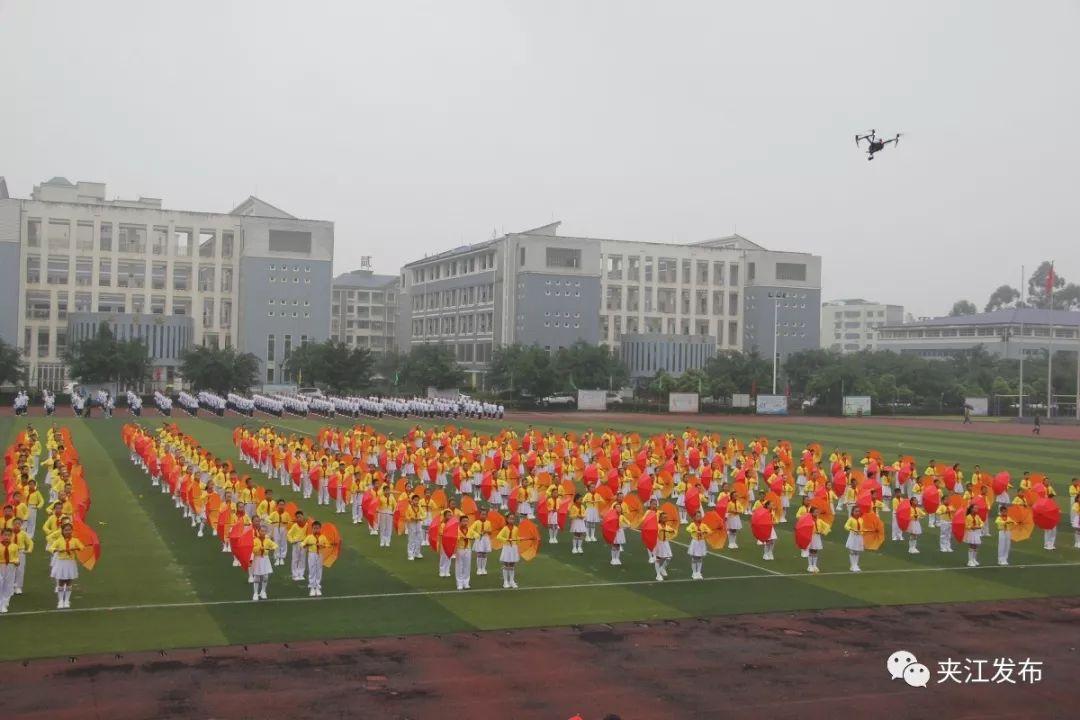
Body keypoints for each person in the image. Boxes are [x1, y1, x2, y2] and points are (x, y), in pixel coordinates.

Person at [48, 522, 84, 609]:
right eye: (66, 530)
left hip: (70, 562)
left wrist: (75, 548)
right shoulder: (59, 541)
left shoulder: (75, 540)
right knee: (61, 582)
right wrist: (57, 550)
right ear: (62, 531)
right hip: (61, 562)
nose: (68, 532)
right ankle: (60, 601)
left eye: (69, 530)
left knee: (68, 582)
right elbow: (51, 548)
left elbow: (82, 547)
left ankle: (67, 600)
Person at [301, 520, 331, 596]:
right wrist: (306, 545)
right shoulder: (309, 537)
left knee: (319, 569)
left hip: (320, 554)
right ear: (312, 529)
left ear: (320, 528)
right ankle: (312, 587)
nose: (316, 530)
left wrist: (323, 546)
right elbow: (302, 544)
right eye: (314, 528)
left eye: (317, 528)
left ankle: (317, 586)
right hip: (312, 554)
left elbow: (328, 545)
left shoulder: (323, 537)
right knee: (312, 569)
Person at [250, 527, 277, 601]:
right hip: (257, 559)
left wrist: (272, 548)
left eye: (265, 531)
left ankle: (263, 591)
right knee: (257, 576)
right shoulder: (255, 540)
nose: (263, 532)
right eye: (261, 531)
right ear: (258, 531)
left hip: (265, 559)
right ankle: (255, 593)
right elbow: (252, 549)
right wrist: (259, 548)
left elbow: (275, 545)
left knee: (265, 576)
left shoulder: (267, 540)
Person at [455, 516, 479, 590]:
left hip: (467, 549)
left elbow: (476, 535)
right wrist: (460, 537)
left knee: (467, 566)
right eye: (463, 521)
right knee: (459, 566)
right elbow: (454, 537)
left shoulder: (470, 530)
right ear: (460, 522)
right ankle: (459, 583)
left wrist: (473, 537)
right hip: (459, 549)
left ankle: (466, 582)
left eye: (466, 521)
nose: (465, 523)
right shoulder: (457, 530)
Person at [496, 514, 520, 589]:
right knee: (506, 564)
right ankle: (505, 581)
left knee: (512, 565)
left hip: (513, 547)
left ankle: (511, 581)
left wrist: (520, 539)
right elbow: (499, 537)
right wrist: (506, 539)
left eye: (513, 519)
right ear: (507, 519)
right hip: (506, 547)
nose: (511, 520)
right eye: (510, 519)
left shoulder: (516, 528)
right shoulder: (505, 528)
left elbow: (517, 537)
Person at [806, 507, 831, 573]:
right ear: (811, 513)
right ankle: (810, 565)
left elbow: (827, 526)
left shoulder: (819, 520)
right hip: (811, 536)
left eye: (817, 512)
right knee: (811, 550)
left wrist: (823, 532)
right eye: (815, 512)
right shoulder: (809, 520)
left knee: (815, 551)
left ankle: (814, 565)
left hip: (817, 537)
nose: (817, 513)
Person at [654, 511, 676, 582]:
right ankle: (658, 575)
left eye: (666, 518)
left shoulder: (667, 527)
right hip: (659, 542)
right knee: (658, 558)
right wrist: (659, 530)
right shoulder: (657, 525)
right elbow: (654, 533)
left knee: (669, 557)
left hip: (665, 542)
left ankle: (662, 568)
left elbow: (673, 531)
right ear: (660, 518)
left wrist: (672, 531)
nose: (665, 519)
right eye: (663, 518)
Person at [686, 511, 708, 580]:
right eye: (697, 516)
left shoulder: (703, 525)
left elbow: (709, 530)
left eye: (700, 516)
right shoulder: (693, 524)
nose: (699, 517)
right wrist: (694, 531)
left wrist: (703, 532)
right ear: (694, 517)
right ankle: (694, 572)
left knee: (700, 557)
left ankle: (698, 572)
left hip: (701, 542)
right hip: (695, 542)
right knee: (695, 557)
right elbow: (688, 529)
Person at [287, 510, 308, 582]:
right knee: (295, 559)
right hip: (296, 544)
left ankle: (301, 574)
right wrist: (292, 541)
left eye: (300, 517)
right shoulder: (295, 525)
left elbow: (309, 533)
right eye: (297, 517)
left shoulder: (306, 525)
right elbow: (289, 534)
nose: (299, 518)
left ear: (303, 517)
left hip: (304, 543)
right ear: (296, 518)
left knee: (302, 559)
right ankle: (295, 575)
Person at [0, 528, 18, 613]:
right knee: (0, 583)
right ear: (2, 536)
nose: (7, 537)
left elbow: (16, 556)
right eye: (5, 535)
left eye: (9, 535)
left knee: (8, 585)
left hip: (10, 566)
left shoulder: (14, 546)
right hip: (1, 566)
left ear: (11, 536)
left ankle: (4, 603)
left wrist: (17, 561)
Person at [472, 509, 493, 576]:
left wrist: (486, 531)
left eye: (485, 514)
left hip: (485, 539)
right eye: (482, 514)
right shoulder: (476, 522)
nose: (483, 516)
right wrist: (478, 533)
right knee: (479, 553)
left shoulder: (488, 522)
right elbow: (471, 530)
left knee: (484, 554)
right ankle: (479, 568)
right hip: (479, 539)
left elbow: (490, 532)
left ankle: (483, 568)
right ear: (479, 515)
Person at [844, 506, 865, 572]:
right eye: (856, 511)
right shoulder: (851, 519)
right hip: (853, 536)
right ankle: (852, 565)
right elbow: (846, 526)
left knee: (857, 551)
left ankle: (856, 564)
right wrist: (852, 529)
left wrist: (863, 531)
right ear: (852, 512)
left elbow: (862, 527)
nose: (857, 512)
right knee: (852, 551)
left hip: (859, 536)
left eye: (858, 511)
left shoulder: (861, 519)